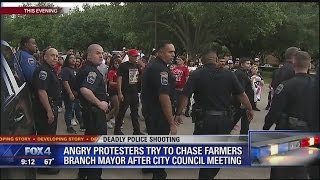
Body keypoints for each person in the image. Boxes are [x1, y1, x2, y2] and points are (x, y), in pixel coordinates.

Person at [174, 48, 253, 179]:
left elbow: (185, 96)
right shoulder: (229, 74)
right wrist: (249, 109)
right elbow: (241, 94)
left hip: (203, 120)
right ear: (216, 60)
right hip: (223, 120)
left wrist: (178, 113)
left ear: (202, 61)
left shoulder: (197, 74)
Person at [263, 51, 316, 179]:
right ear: (309, 66)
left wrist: (266, 127)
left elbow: (274, 111)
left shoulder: (285, 86)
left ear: (293, 65)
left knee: (280, 170)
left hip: (286, 132)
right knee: (301, 168)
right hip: (308, 133)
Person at [141, 40, 177, 179]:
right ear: (160, 52)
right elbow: (164, 97)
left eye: (174, 51)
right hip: (157, 113)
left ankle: (148, 166)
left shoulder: (157, 66)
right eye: (170, 51)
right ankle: (159, 174)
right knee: (159, 145)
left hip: (151, 110)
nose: (173, 54)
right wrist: (171, 123)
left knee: (153, 140)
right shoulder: (160, 69)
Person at [75, 44, 109, 179]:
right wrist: (100, 103)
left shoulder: (88, 68)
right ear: (88, 55)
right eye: (97, 53)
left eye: (102, 53)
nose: (101, 55)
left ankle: (83, 173)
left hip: (90, 114)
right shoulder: (92, 71)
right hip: (94, 115)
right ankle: (94, 176)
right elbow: (85, 89)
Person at [32, 48, 60, 175]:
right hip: (44, 108)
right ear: (45, 57)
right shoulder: (43, 70)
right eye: (52, 55)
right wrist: (49, 111)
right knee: (45, 136)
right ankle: (43, 166)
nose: (55, 58)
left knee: (50, 136)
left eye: (57, 56)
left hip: (51, 105)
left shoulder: (50, 69)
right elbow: (42, 91)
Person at [114, 49, 143, 135]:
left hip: (134, 91)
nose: (135, 58)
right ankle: (117, 130)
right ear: (129, 56)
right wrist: (119, 92)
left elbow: (140, 75)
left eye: (136, 56)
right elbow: (119, 78)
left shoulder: (137, 66)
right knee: (121, 112)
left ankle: (136, 131)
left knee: (135, 113)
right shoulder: (123, 66)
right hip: (125, 92)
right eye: (134, 56)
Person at [232, 57, 255, 138]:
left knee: (245, 121)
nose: (249, 65)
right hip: (242, 103)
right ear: (242, 64)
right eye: (247, 63)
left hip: (244, 102)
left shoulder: (243, 73)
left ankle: (244, 136)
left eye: (250, 64)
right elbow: (241, 90)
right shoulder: (240, 74)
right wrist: (243, 103)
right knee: (235, 120)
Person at [60, 54, 80, 134]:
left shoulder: (76, 69)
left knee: (77, 109)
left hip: (76, 93)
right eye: (71, 58)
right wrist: (70, 93)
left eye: (74, 58)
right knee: (69, 110)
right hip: (69, 93)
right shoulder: (66, 70)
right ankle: (69, 126)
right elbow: (65, 82)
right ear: (67, 60)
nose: (73, 59)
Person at [106, 56, 122, 128]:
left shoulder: (120, 72)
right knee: (116, 106)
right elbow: (110, 83)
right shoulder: (111, 72)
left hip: (119, 90)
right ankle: (107, 119)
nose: (117, 65)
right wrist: (119, 83)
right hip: (112, 91)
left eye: (118, 63)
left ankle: (115, 120)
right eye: (115, 63)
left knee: (117, 107)